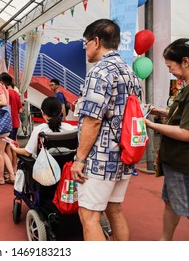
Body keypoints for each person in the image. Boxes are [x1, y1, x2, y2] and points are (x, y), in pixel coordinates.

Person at [70, 19, 141, 241]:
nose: (85, 48)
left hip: (100, 158)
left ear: (96, 41)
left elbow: (93, 120)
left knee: (89, 216)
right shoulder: (129, 72)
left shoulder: (99, 72)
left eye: (86, 42)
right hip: (125, 154)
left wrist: (79, 159)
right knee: (115, 209)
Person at [145, 38, 189, 241]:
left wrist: (151, 124)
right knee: (170, 202)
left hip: (182, 164)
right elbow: (178, 115)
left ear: (185, 62)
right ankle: (165, 241)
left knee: (183, 206)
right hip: (173, 162)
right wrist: (157, 111)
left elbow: (186, 132)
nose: (169, 71)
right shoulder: (185, 87)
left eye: (170, 66)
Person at [9, 97, 74, 158]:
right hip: (68, 168)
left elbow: (27, 153)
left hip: (45, 168)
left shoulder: (39, 130)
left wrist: (14, 148)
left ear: (42, 112)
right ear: (61, 111)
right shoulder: (70, 129)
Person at [1, 72, 23, 173]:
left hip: (7, 124)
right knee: (13, 145)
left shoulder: (5, 94)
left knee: (7, 147)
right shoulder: (15, 93)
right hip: (15, 123)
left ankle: (10, 171)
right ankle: (14, 167)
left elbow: (7, 108)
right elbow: (20, 110)